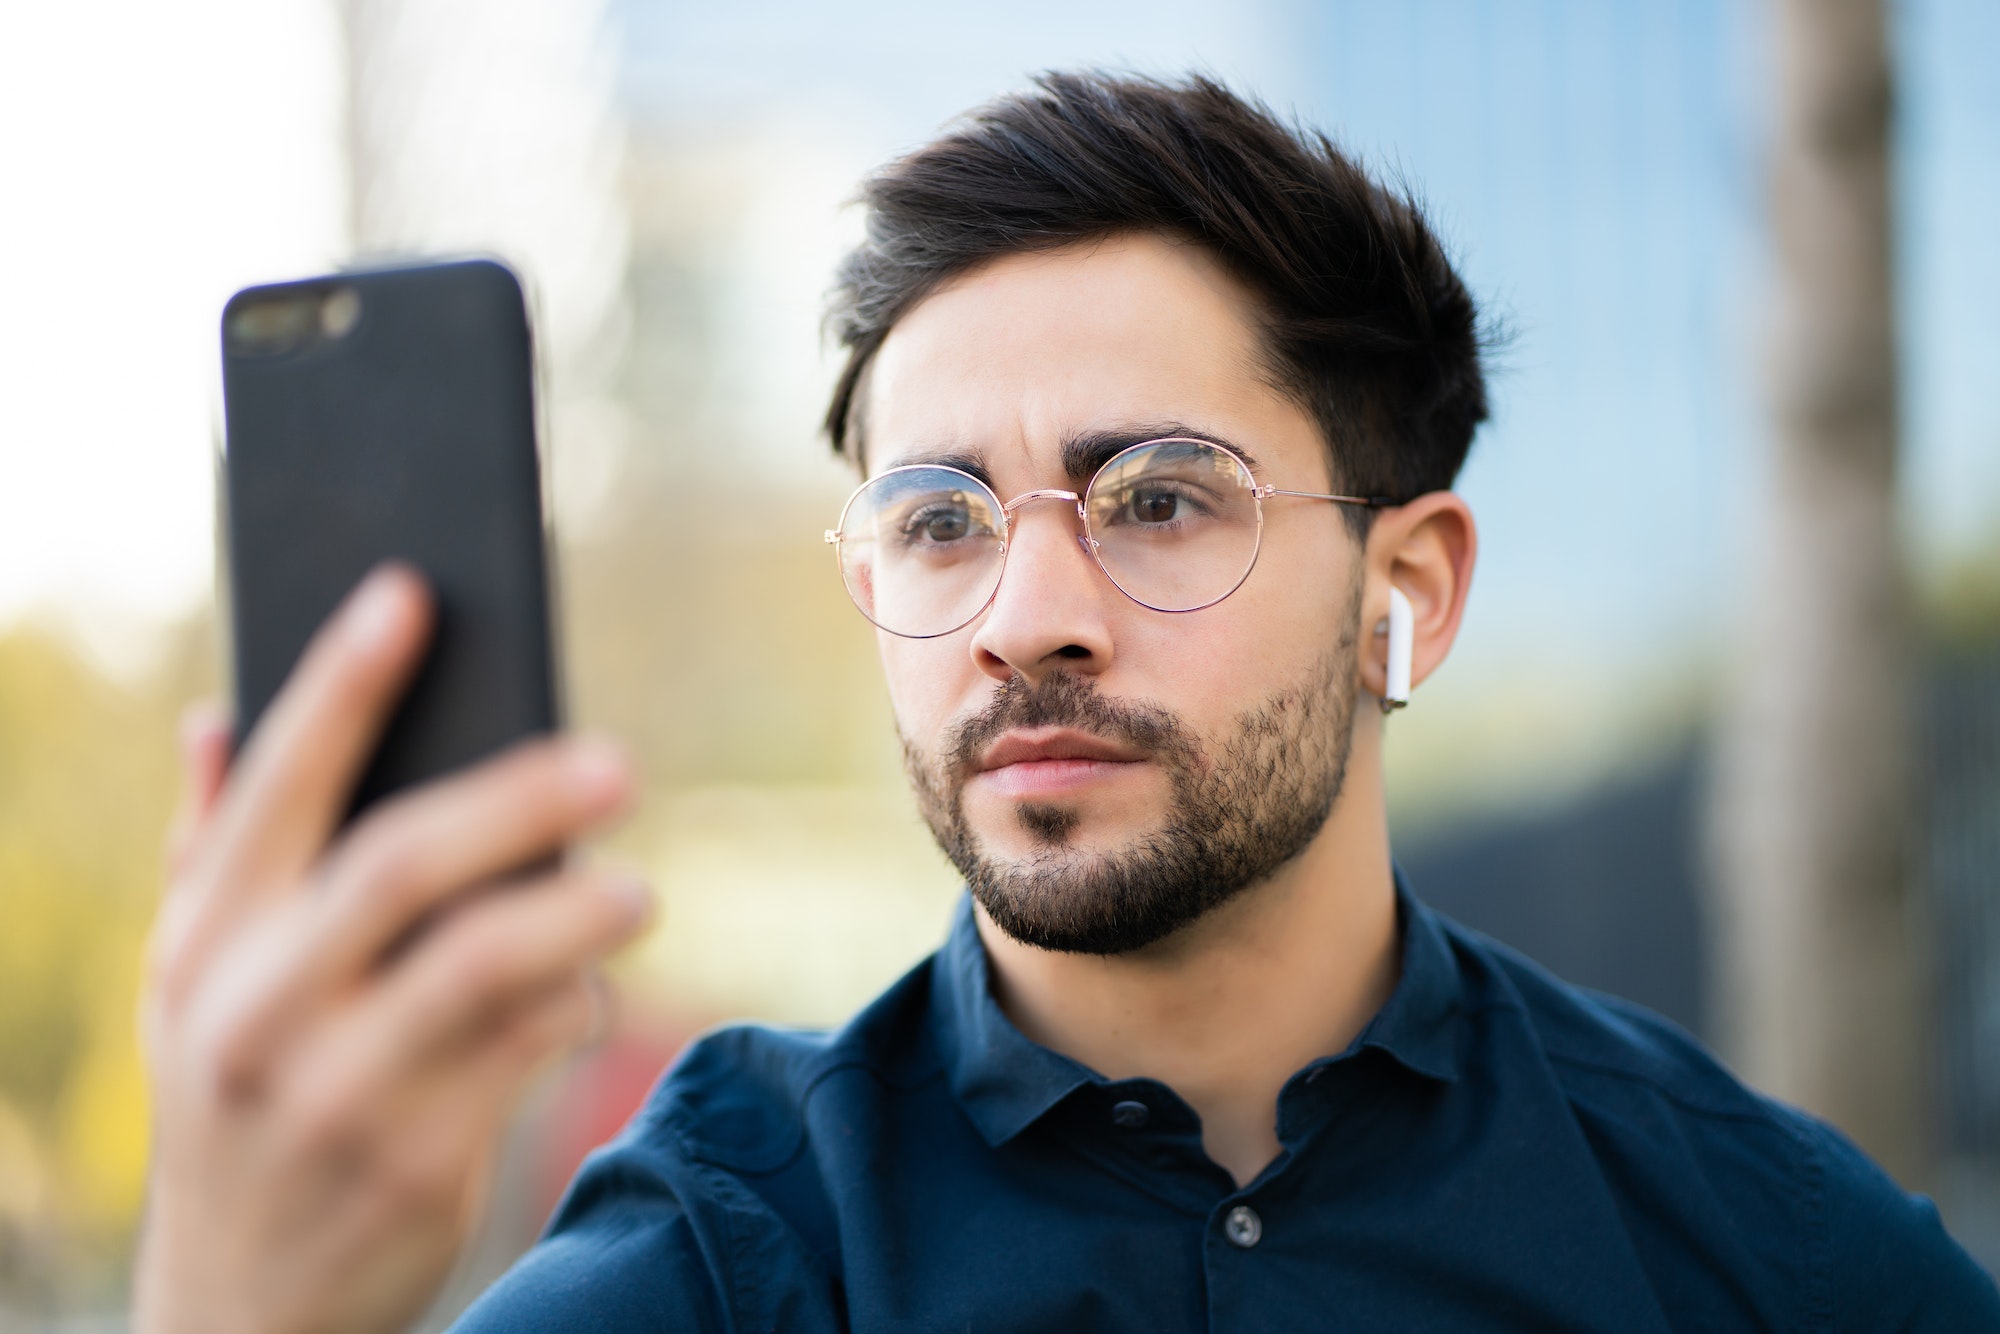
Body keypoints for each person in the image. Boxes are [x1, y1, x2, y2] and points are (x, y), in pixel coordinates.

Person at [136, 72, 1998, 1332]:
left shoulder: (1756, 1245)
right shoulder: (729, 1250)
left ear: (1404, 585)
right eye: (939, 521)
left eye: (1161, 497)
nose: (1028, 618)